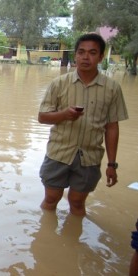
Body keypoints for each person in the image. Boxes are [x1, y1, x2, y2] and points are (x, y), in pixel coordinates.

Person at [38, 33, 128, 216]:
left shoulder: (112, 88)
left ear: (101, 57)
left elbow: (112, 127)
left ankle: (74, 238)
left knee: (77, 203)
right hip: (59, 153)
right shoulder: (59, 84)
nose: (86, 57)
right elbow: (42, 117)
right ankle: (46, 237)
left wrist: (112, 164)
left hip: (90, 156)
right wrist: (64, 114)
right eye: (81, 52)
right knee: (50, 199)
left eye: (92, 52)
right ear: (75, 55)